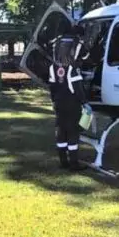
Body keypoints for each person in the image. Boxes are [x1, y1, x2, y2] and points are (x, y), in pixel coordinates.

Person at [48, 28, 89, 171]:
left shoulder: (53, 67)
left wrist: (53, 101)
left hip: (59, 103)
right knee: (73, 132)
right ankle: (74, 164)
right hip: (72, 104)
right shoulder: (72, 68)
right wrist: (85, 103)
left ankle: (63, 162)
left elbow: (52, 87)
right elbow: (77, 89)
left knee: (61, 131)